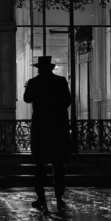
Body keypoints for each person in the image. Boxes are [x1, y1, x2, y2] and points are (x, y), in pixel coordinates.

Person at [23, 55, 72, 211]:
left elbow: (26, 99)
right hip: (57, 125)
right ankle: (59, 194)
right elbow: (68, 101)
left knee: (40, 163)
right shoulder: (60, 81)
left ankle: (41, 196)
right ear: (50, 68)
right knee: (57, 163)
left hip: (41, 125)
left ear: (39, 68)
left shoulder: (34, 82)